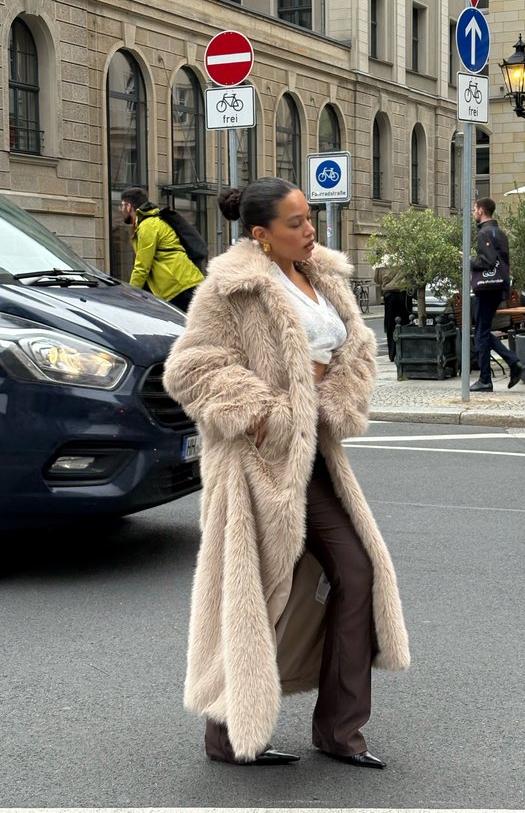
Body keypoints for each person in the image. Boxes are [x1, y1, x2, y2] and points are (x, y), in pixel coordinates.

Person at [163, 177, 410, 768]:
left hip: (317, 454)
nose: (309, 230)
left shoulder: (324, 275)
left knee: (353, 572)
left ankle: (340, 731)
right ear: (261, 234)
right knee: (255, 588)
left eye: (309, 218)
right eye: (295, 222)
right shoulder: (233, 289)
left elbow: (357, 347)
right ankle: (231, 731)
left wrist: (339, 391)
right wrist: (265, 415)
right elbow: (190, 368)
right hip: (259, 462)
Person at [469, 197, 525, 392]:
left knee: (480, 333)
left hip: (486, 288)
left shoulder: (484, 232)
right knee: (481, 332)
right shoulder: (500, 233)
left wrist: (469, 261)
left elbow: (487, 261)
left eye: (474, 209)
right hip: (498, 287)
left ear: (481, 210)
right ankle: (511, 362)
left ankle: (487, 379)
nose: (473, 213)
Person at [120, 187, 203, 312]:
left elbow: (142, 267)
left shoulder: (148, 226)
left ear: (128, 207)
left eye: (122, 206)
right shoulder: (152, 222)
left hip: (179, 287)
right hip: (181, 284)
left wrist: (131, 292)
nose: (121, 210)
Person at [374, 260, 413, 361]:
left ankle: (392, 353)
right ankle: (404, 352)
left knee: (390, 325)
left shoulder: (383, 262)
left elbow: (376, 279)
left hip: (389, 296)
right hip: (403, 295)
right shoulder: (405, 260)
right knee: (405, 323)